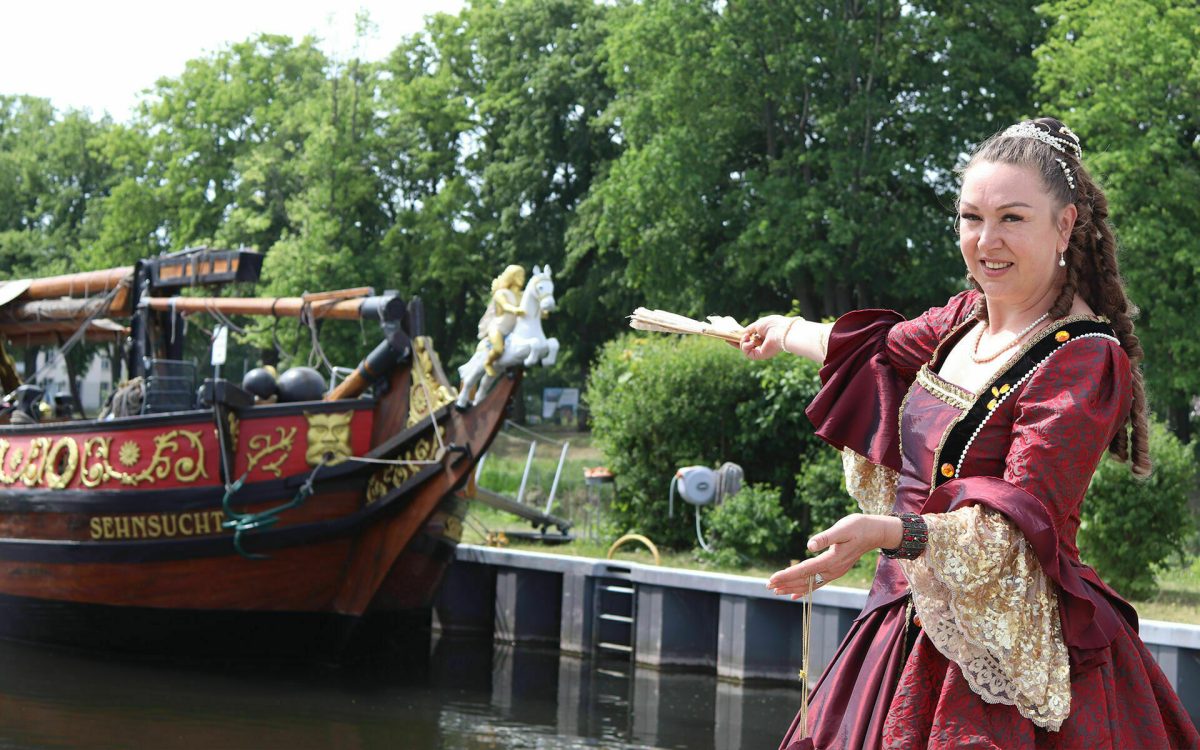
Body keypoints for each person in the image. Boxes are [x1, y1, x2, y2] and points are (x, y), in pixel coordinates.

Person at [739, 118, 1199, 749]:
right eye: (970, 218)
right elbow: (878, 349)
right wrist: (783, 329)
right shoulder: (965, 317)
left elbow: (1017, 522)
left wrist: (886, 532)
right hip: (902, 618)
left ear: (1064, 225)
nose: (987, 241)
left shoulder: (1084, 358)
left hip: (1004, 649)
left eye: (1012, 218)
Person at [479, 264, 527, 377]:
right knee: (498, 349)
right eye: (519, 275)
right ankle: (488, 362)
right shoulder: (500, 294)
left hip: (514, 330)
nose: (522, 278)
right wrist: (515, 309)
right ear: (511, 277)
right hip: (498, 328)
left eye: (523, 276)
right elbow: (505, 306)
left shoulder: (523, 295)